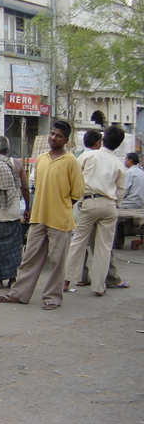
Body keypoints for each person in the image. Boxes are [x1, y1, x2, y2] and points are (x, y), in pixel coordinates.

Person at [0, 121, 84, 310]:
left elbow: (76, 194)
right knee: (30, 257)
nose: (54, 138)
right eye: (52, 134)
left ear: (66, 140)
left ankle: (52, 298)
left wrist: (60, 207)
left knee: (57, 262)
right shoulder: (42, 159)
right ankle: (19, 293)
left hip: (60, 221)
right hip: (38, 217)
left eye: (58, 135)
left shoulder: (71, 162)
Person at [63, 126, 125, 297]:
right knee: (103, 248)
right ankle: (99, 286)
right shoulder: (118, 163)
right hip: (109, 205)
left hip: (89, 202)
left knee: (78, 243)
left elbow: (74, 174)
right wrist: (115, 204)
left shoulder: (88, 156)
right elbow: (120, 190)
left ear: (102, 140)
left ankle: (66, 281)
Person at [0, 137, 30, 289]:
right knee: (14, 247)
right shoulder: (17, 163)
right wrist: (28, 208)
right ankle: (12, 279)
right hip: (14, 210)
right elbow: (25, 188)